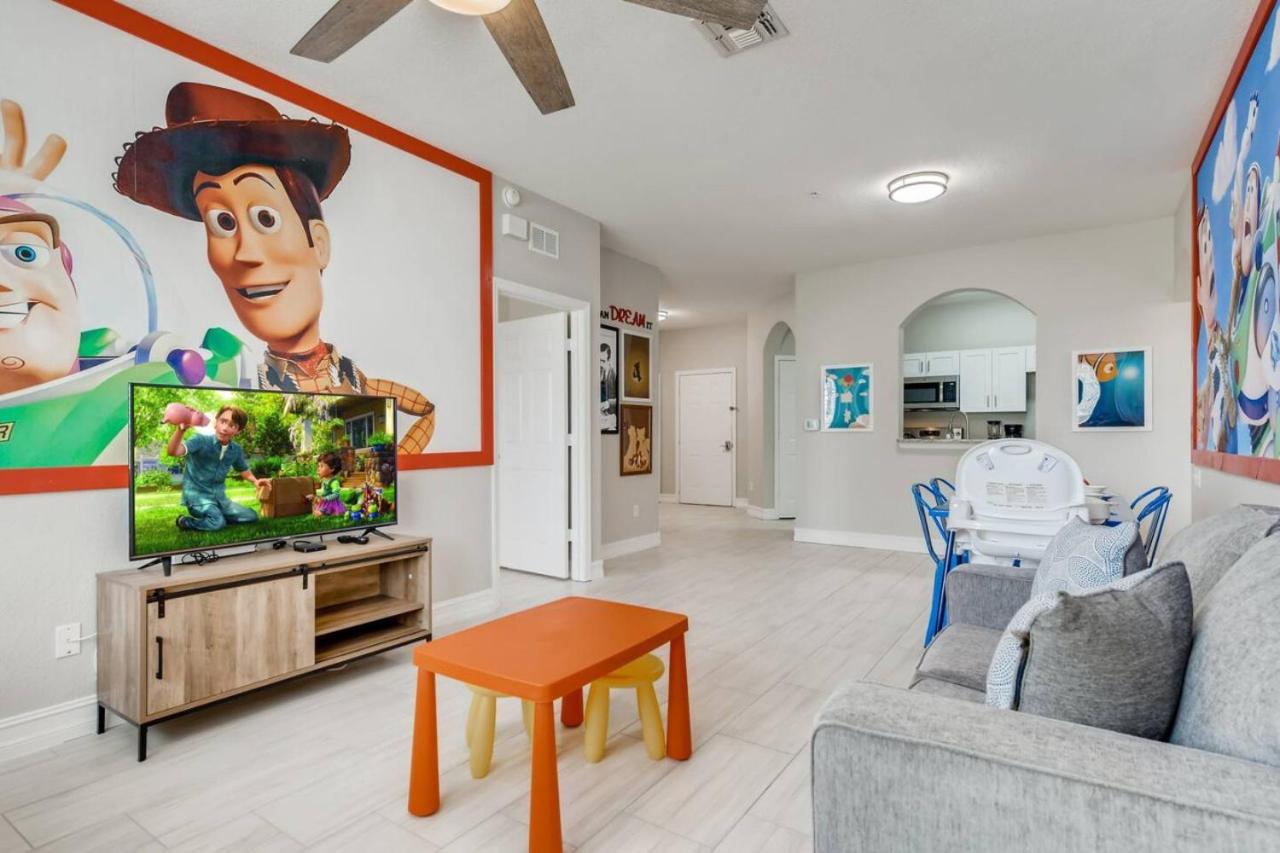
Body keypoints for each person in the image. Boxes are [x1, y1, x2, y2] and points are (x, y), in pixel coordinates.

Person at [114, 82, 436, 453]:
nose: (245, 253)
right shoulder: (241, 378)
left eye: (265, 218)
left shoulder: (350, 375)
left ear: (319, 243)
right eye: (222, 223)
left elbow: (424, 410)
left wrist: (390, 464)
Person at [168, 404, 261, 532]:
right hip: (198, 499)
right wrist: (181, 430)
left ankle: (218, 516)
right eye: (223, 421)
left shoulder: (235, 450)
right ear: (216, 422)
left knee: (251, 516)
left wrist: (256, 481)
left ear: (238, 431)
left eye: (232, 425)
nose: (225, 428)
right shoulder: (200, 440)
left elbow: (244, 470)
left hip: (220, 500)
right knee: (217, 523)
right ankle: (185, 521)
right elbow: (173, 451)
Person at [309, 451, 346, 517]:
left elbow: (336, 494)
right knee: (314, 506)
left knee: (321, 513)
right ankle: (322, 512)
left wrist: (325, 498)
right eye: (318, 466)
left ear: (332, 469)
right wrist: (317, 497)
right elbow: (324, 492)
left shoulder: (334, 482)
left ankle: (328, 512)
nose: (318, 469)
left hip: (332, 503)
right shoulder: (324, 480)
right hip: (325, 501)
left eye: (321, 466)